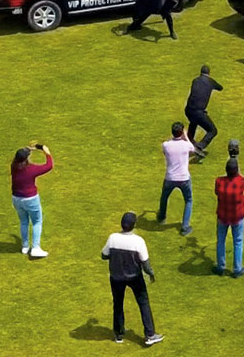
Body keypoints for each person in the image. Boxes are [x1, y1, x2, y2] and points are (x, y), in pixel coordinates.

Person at [102, 211, 162, 346]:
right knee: (143, 303)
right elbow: (145, 263)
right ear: (134, 225)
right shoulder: (138, 241)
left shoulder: (112, 238)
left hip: (116, 277)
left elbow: (104, 255)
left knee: (118, 304)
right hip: (134, 277)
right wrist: (151, 274)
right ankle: (150, 334)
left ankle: (118, 334)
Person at [157, 122, 200, 235]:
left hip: (170, 177)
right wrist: (185, 136)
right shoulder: (186, 145)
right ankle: (185, 226)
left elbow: (165, 151)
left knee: (164, 197)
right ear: (181, 132)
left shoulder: (166, 145)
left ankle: (161, 216)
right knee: (189, 200)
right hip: (184, 178)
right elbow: (192, 149)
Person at [10, 142, 52, 258]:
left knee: (23, 221)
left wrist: (29, 149)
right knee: (37, 222)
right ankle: (35, 248)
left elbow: (22, 156)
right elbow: (49, 166)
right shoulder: (31, 169)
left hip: (16, 199)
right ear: (26, 158)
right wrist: (46, 152)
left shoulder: (13, 166)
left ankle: (25, 246)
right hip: (30, 199)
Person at [213, 156, 244, 276]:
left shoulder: (219, 182)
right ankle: (237, 269)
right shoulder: (242, 182)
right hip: (237, 216)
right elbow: (243, 181)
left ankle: (220, 266)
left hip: (222, 216)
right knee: (238, 241)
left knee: (221, 241)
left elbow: (216, 192)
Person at [184, 65, 222, 152]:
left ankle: (189, 141)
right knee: (212, 131)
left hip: (188, 110)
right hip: (198, 112)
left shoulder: (195, 80)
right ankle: (200, 146)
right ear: (208, 73)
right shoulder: (210, 81)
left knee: (193, 122)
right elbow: (220, 88)